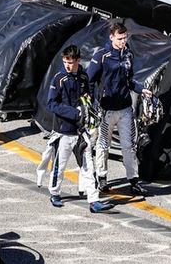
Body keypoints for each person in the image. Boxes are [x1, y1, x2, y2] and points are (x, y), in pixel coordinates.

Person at [37, 45, 114, 213]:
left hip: (81, 130)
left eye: (71, 62)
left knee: (88, 166)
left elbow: (87, 96)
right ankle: (55, 193)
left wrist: (89, 108)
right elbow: (51, 103)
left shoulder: (84, 77)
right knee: (60, 164)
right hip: (63, 130)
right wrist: (75, 113)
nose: (67, 65)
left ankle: (94, 200)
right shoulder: (58, 79)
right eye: (65, 62)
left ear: (78, 60)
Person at [87, 22, 150, 196]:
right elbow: (89, 80)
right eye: (120, 38)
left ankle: (134, 180)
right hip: (106, 110)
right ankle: (101, 178)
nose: (123, 41)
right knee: (103, 145)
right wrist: (92, 103)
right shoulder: (102, 56)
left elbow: (130, 80)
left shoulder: (128, 54)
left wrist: (141, 88)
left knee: (129, 147)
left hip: (125, 109)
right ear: (111, 37)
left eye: (125, 38)